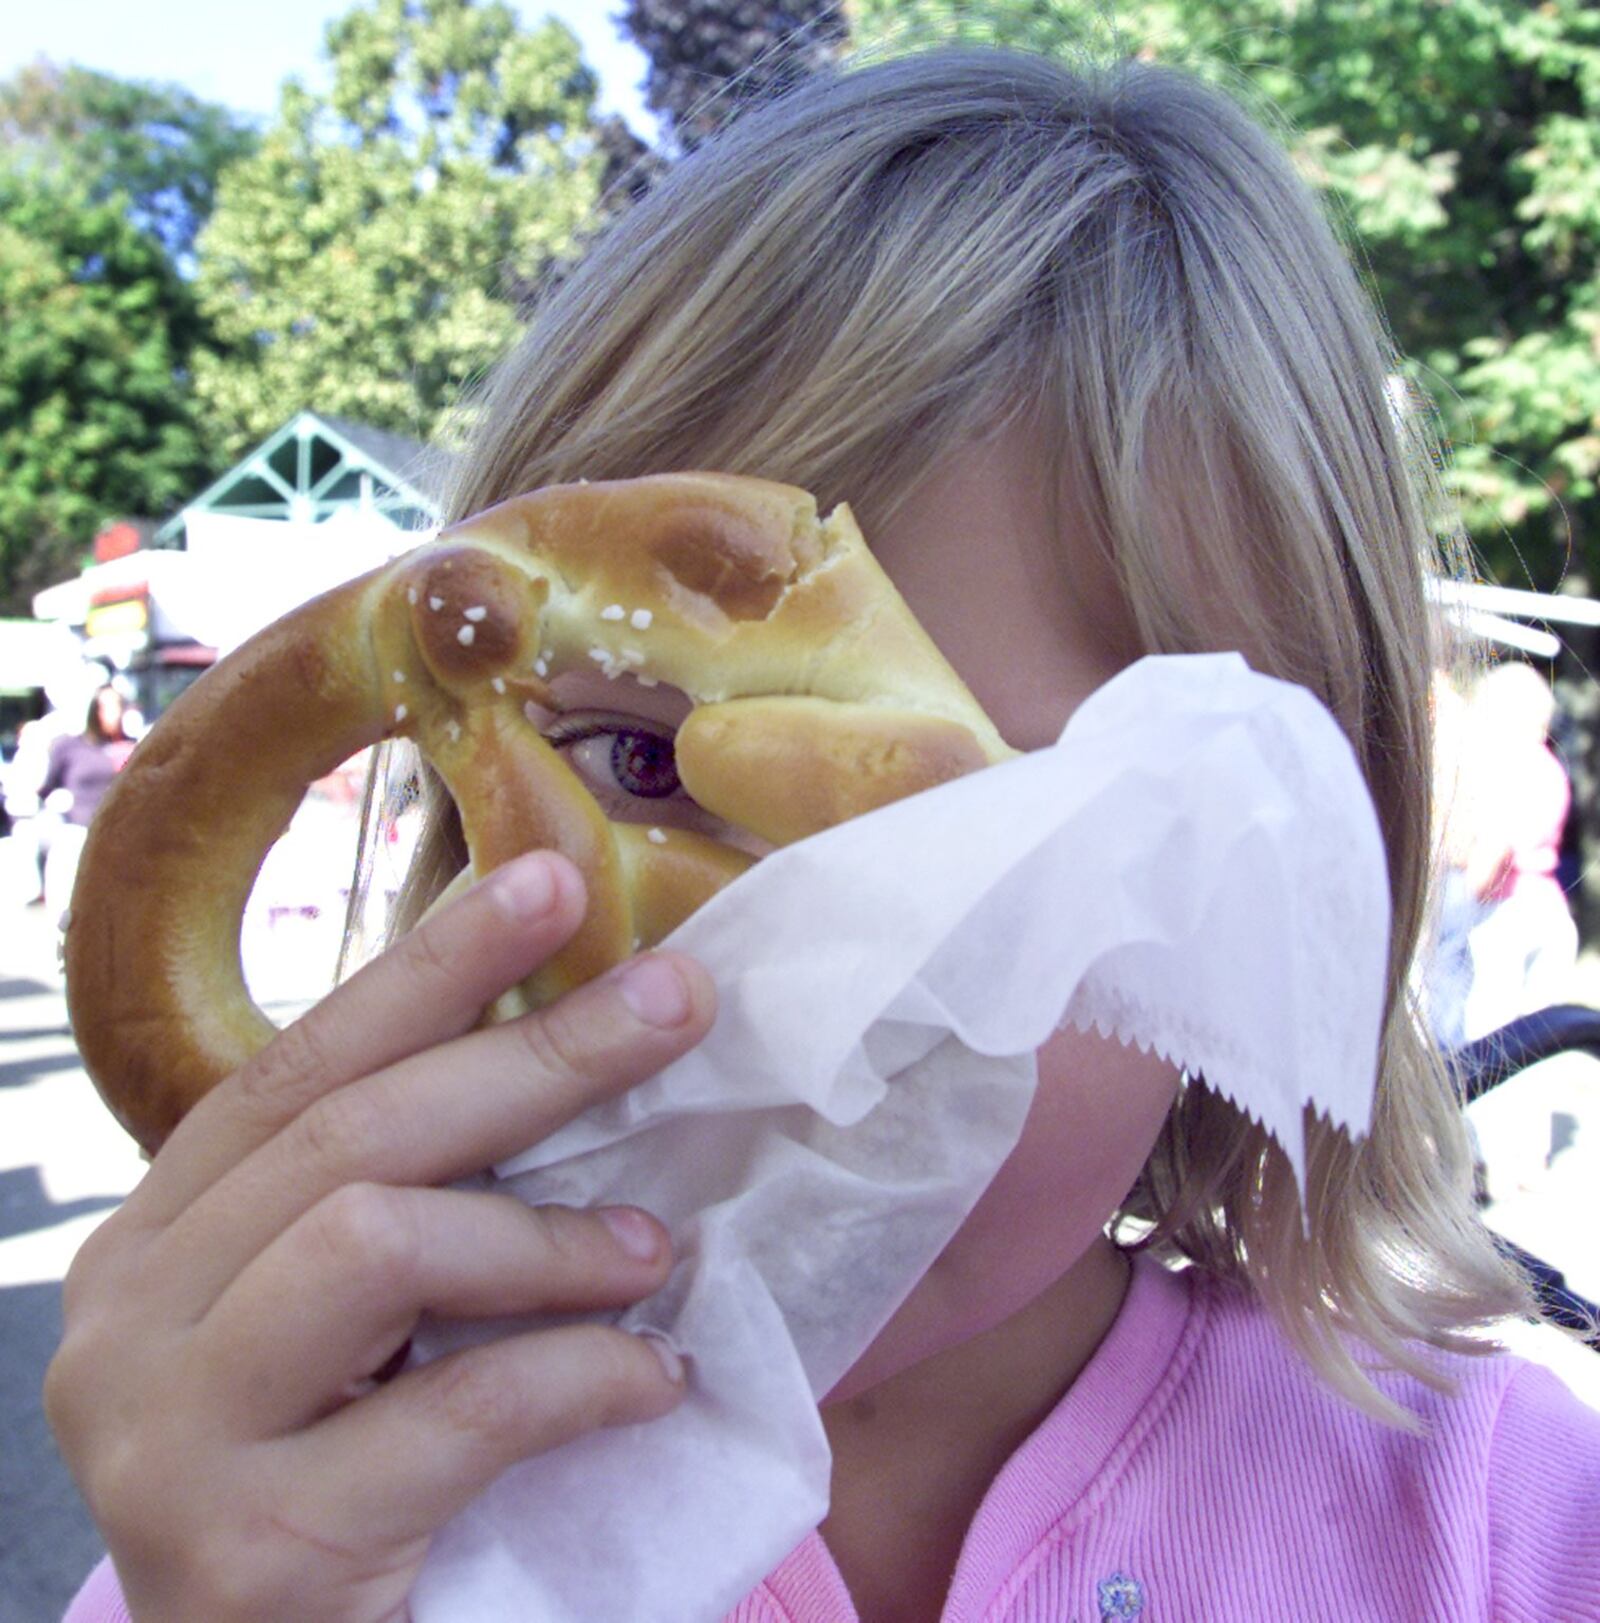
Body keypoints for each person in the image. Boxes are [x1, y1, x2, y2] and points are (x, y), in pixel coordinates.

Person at [46, 47, 1600, 1623]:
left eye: (1009, 843)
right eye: (644, 756)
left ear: (1273, 918)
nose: (792, 1004)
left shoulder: (1504, 1519)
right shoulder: (282, 1532)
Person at [37, 684, 133, 926]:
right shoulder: (70, 747)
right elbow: (46, 786)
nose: (114, 713)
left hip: (117, 838)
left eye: (118, 706)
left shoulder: (131, 747)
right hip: (78, 834)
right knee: (69, 914)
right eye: (107, 707)